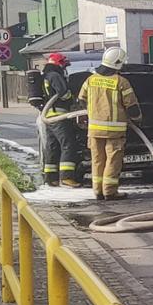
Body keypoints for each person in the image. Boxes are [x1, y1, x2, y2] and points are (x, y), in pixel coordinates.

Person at [83, 47, 142, 201]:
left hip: (94, 130)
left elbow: (81, 100)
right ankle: (109, 191)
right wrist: (137, 120)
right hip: (114, 131)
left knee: (97, 160)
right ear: (118, 63)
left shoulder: (91, 80)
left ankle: (98, 191)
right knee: (113, 160)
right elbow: (132, 107)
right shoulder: (121, 82)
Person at [29, 52, 83, 187]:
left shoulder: (46, 75)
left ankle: (51, 177)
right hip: (58, 115)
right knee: (68, 144)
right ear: (59, 63)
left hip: (49, 117)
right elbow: (64, 94)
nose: (65, 68)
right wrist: (72, 98)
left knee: (52, 147)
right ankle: (67, 177)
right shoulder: (55, 75)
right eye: (64, 65)